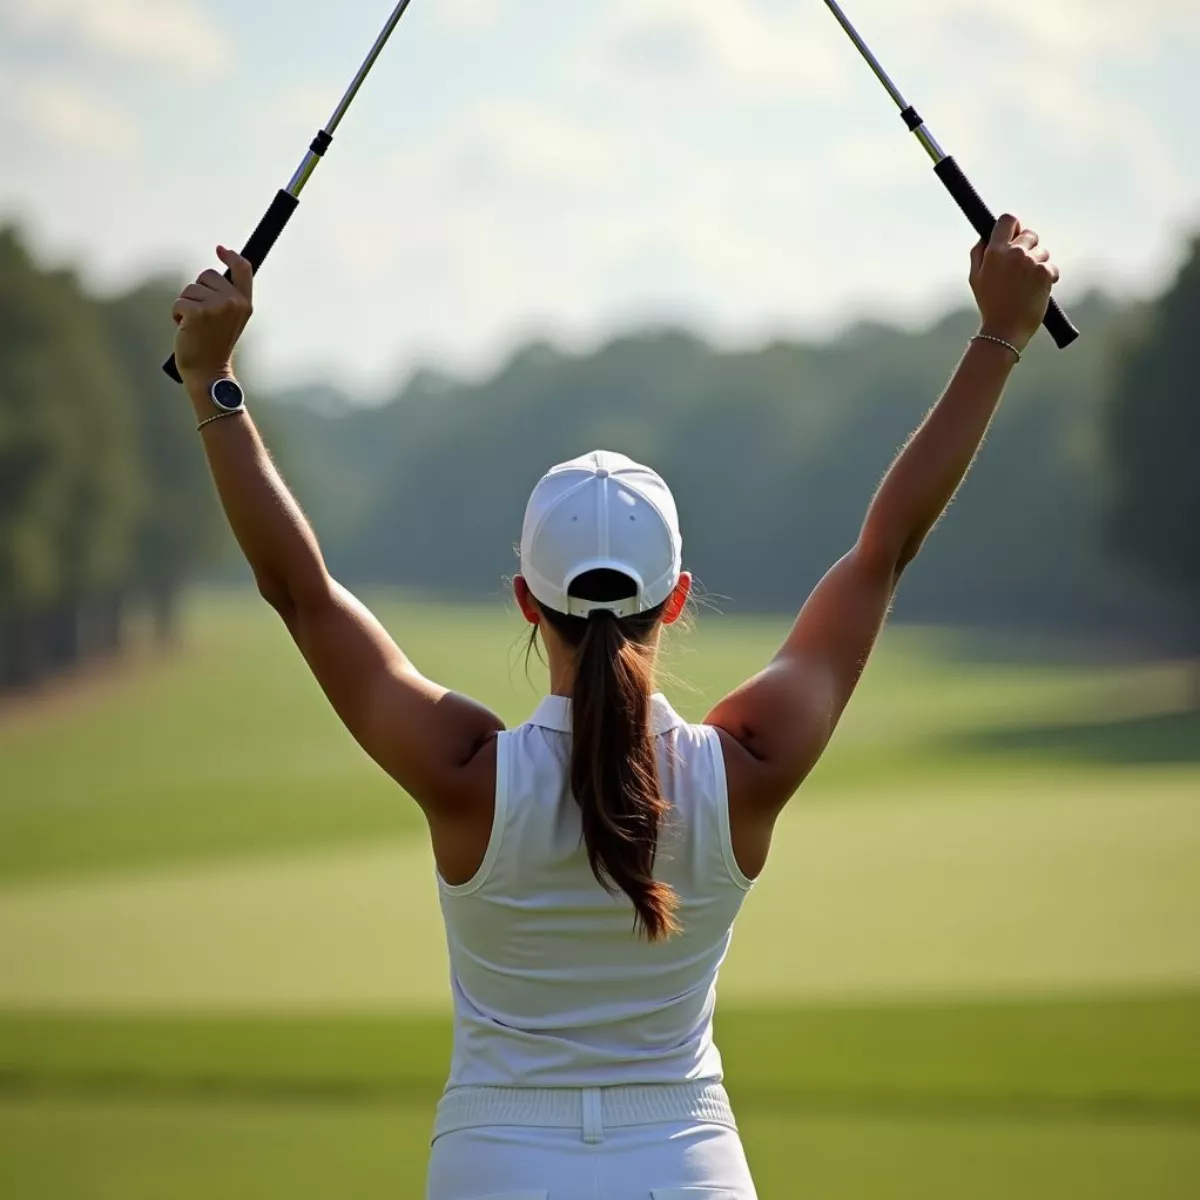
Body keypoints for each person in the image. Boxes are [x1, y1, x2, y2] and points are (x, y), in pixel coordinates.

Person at [171, 214, 1060, 1199]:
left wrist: (213, 378)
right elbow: (884, 549)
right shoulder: (747, 766)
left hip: (494, 1161)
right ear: (677, 596)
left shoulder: (467, 771)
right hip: (684, 1161)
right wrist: (1001, 335)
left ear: (525, 599)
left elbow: (299, 591)